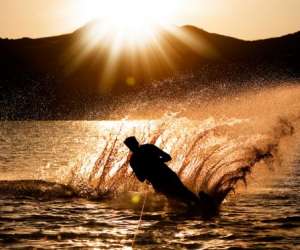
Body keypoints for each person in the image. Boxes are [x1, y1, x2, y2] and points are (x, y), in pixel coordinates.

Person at [124, 136, 202, 207]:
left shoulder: (147, 149)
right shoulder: (134, 160)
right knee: (175, 196)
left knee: (182, 190)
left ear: (135, 143)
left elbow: (168, 157)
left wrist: (156, 161)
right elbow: (141, 179)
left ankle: (199, 203)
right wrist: (142, 172)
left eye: (132, 145)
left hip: (167, 175)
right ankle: (192, 206)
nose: (133, 147)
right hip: (159, 181)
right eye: (131, 146)